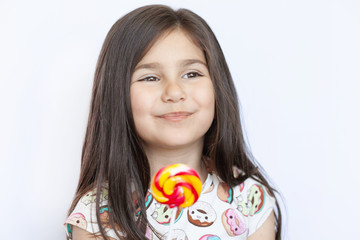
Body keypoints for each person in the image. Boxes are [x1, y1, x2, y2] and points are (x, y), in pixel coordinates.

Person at [64, 4, 282, 240]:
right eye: (150, 77)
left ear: (218, 85)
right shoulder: (98, 216)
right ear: (118, 95)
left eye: (192, 74)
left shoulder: (248, 198)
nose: (174, 92)